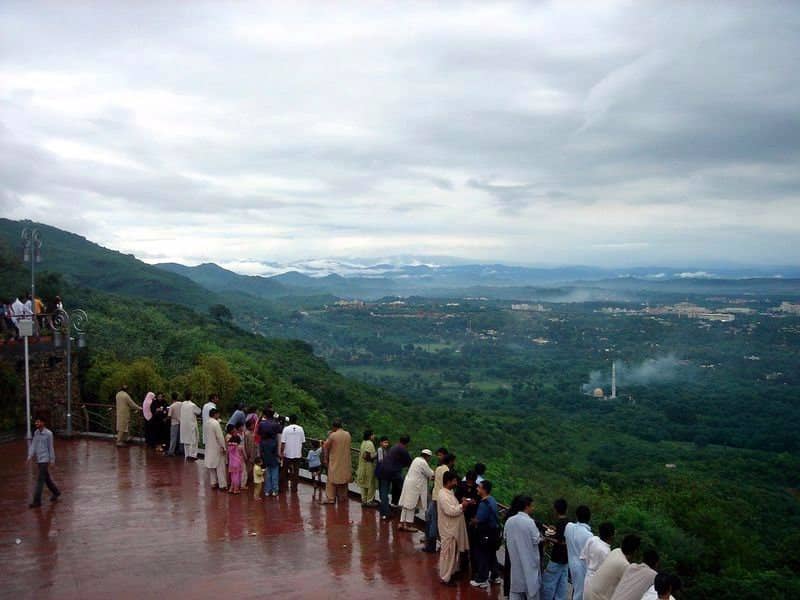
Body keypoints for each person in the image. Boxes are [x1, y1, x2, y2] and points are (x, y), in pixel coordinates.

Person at [504, 494, 541, 600]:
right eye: (531, 506)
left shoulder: (509, 521)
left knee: (515, 591)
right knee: (532, 591)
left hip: (515, 562)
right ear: (526, 506)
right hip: (529, 563)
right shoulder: (530, 522)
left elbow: (506, 537)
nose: (532, 508)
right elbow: (537, 539)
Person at [437, 471, 471, 585]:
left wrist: (461, 504)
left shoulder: (449, 492)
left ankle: (450, 573)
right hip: (448, 529)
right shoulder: (443, 495)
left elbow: (454, 507)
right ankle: (445, 577)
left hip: (452, 528)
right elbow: (450, 510)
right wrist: (462, 505)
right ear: (448, 481)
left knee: (453, 553)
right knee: (447, 553)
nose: (456, 482)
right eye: (454, 480)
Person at [584, 535, 641, 600]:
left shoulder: (616, 551)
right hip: (596, 597)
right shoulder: (625, 566)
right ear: (636, 551)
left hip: (589, 590)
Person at [470, 480, 501, 588]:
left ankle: (482, 578)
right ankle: (495, 576)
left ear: (484, 490)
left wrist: (473, 521)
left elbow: (478, 519)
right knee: (491, 554)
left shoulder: (484, 504)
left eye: (479, 487)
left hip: (485, 533)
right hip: (494, 533)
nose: (477, 489)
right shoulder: (491, 500)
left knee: (481, 554)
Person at [425, 452, 456, 552]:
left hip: (435, 497)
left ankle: (430, 544)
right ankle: (433, 546)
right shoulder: (447, 471)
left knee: (432, 519)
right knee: (437, 522)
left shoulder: (438, 468)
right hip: (442, 498)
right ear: (451, 461)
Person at [27, 416, 61, 508]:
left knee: (40, 480)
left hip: (45, 459)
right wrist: (30, 455)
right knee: (47, 479)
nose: (36, 424)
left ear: (43, 423)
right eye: (36, 422)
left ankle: (36, 501)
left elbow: (51, 447)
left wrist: (52, 460)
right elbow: (33, 445)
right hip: (39, 459)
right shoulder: (36, 433)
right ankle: (56, 492)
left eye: (38, 422)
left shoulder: (49, 434)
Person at [398, 448, 434, 531]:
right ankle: (408, 525)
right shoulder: (423, 462)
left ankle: (401, 523)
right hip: (414, 486)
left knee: (405, 505)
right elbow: (430, 473)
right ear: (427, 456)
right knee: (411, 505)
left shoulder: (416, 459)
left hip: (408, 484)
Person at [377, 434, 412, 520]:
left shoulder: (394, 447)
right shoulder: (403, 450)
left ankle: (384, 513)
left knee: (384, 492)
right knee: (404, 487)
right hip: (392, 472)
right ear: (407, 443)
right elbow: (410, 463)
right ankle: (407, 506)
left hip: (383, 470)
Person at [541, 498, 570, 600]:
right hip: (566, 559)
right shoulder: (569, 523)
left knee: (548, 583)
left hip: (557, 557)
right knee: (562, 585)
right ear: (566, 510)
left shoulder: (560, 523)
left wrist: (548, 538)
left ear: (555, 510)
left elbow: (560, 541)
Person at [565, 505, 594, 600]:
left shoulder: (569, 527)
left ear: (576, 516)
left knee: (576, 590)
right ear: (589, 518)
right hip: (582, 568)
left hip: (571, 565)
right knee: (580, 593)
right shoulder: (589, 536)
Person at [322, 419, 352, 504]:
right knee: (343, 479)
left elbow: (325, 446)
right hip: (345, 461)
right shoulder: (348, 434)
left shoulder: (333, 435)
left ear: (334, 427)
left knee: (331, 480)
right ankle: (342, 496)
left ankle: (330, 498)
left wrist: (325, 458)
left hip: (335, 460)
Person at [582, 522, 615, 591]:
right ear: (611, 536)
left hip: (588, 576)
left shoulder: (592, 539)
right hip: (598, 583)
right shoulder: (607, 552)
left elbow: (584, 556)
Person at [202, 408, 227, 491]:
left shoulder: (207, 423)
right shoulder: (215, 423)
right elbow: (220, 436)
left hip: (209, 446)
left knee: (211, 467)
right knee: (220, 467)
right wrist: (223, 446)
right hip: (217, 447)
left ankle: (213, 483)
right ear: (215, 414)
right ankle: (222, 485)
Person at [280, 414, 306, 490]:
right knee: (296, 471)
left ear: (289, 420)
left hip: (287, 453)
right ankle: (294, 487)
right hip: (297, 453)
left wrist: (281, 452)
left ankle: (283, 486)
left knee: (284, 470)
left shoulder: (286, 429)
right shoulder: (300, 429)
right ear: (296, 420)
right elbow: (303, 441)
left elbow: (283, 442)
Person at [356, 429, 378, 506]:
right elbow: (366, 455)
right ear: (370, 436)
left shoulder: (363, 442)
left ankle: (364, 500)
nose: (374, 436)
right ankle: (369, 501)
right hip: (368, 466)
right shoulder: (370, 443)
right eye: (372, 434)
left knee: (363, 483)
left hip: (362, 465)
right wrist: (375, 455)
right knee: (371, 483)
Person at [179, 390, 201, 460]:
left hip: (183, 426)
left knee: (186, 441)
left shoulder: (182, 404)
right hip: (191, 425)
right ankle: (192, 455)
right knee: (193, 441)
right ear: (191, 397)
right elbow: (199, 411)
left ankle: (187, 455)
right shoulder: (192, 405)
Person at [260, 432, 280, 497]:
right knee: (274, 476)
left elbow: (261, 452)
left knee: (267, 476)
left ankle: (267, 491)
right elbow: (276, 452)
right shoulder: (275, 442)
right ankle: (274, 490)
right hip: (274, 460)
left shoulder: (263, 442)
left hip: (266, 460)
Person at [242, 417, 256, 490]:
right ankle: (246, 480)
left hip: (253, 452)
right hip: (249, 453)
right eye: (253, 425)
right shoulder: (247, 434)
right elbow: (246, 444)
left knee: (252, 467)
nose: (254, 426)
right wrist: (247, 453)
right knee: (249, 468)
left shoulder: (253, 433)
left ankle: (251, 479)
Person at [166, 392, 182, 456]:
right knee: (180, 438)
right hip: (181, 422)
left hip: (174, 423)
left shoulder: (172, 406)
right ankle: (180, 450)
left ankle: (171, 452)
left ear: (171, 398)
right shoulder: (181, 404)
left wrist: (165, 419)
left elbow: (169, 416)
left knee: (173, 438)